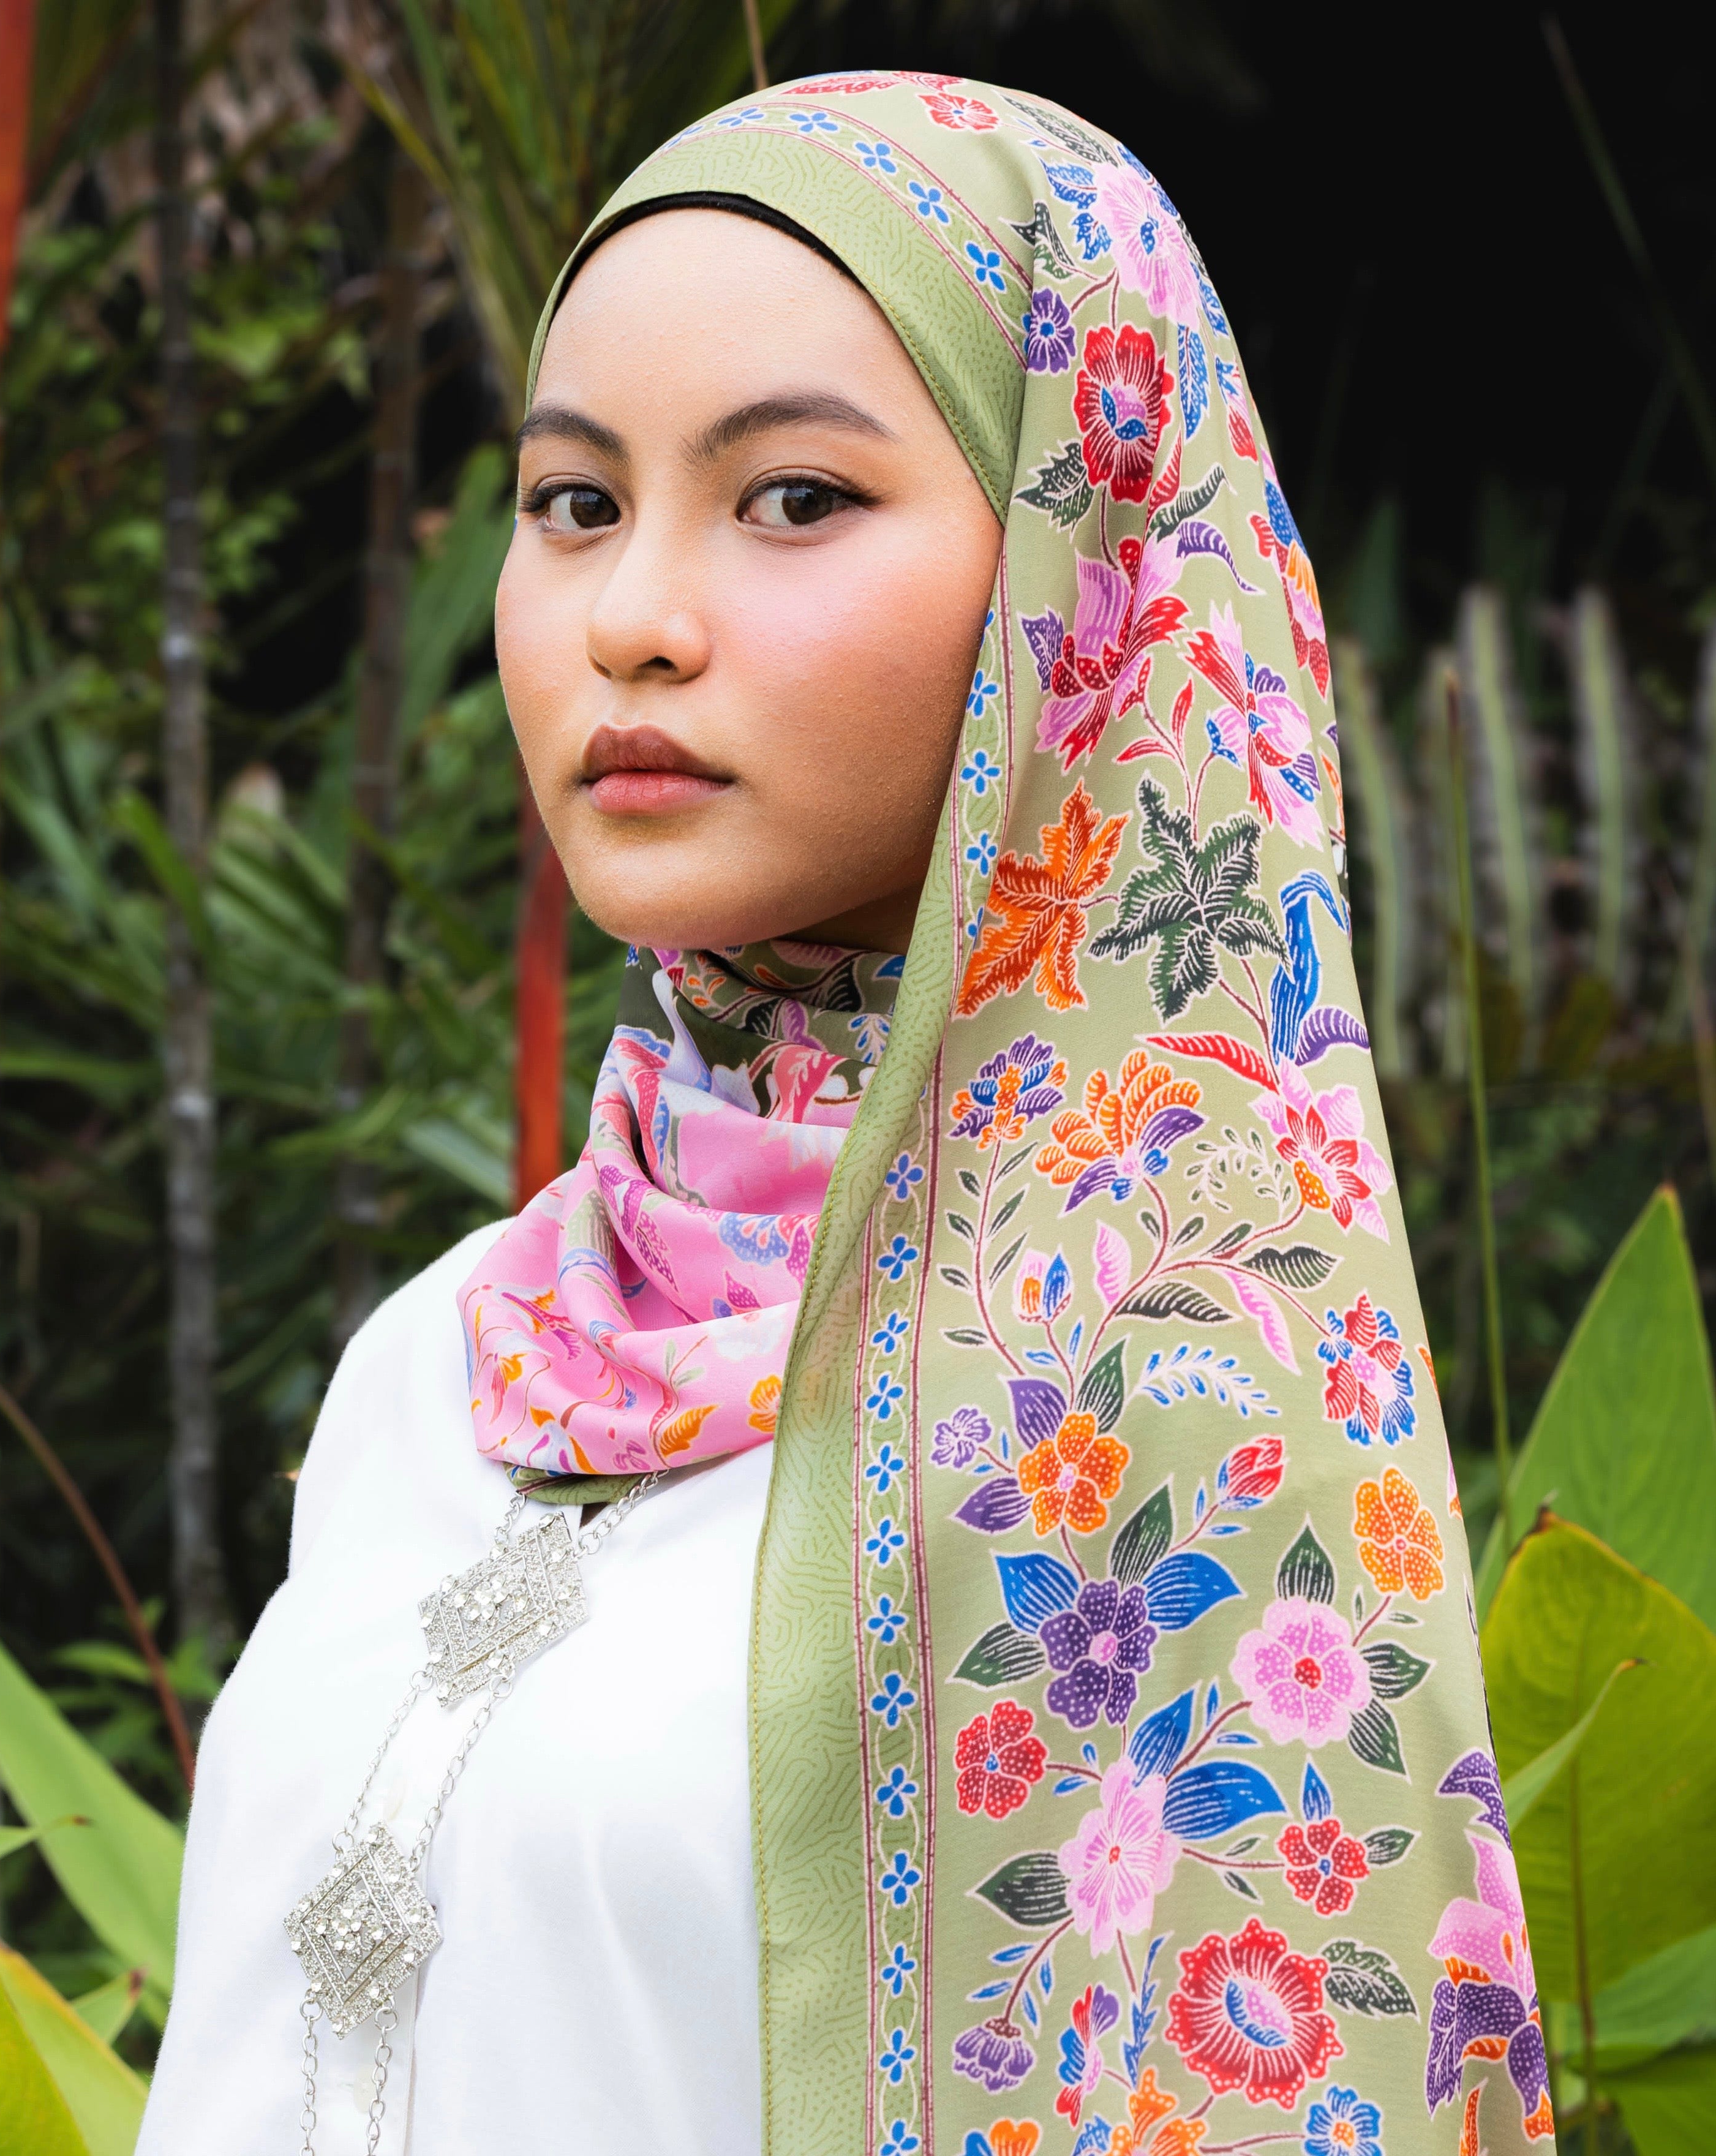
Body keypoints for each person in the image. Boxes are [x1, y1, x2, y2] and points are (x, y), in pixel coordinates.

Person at [138, 74, 1549, 2156]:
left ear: (1080, 589)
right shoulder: (446, 1361)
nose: (634, 615)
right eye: (573, 502)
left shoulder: (1166, 1420)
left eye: (794, 497)